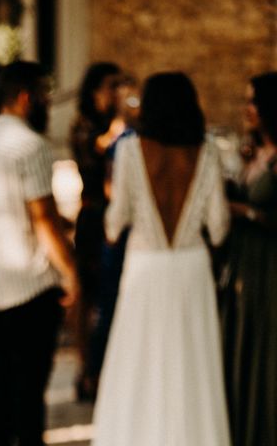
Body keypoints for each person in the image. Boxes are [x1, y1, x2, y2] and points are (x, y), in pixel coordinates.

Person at [92, 72, 231, 446]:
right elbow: (218, 227)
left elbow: (114, 222)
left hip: (145, 267)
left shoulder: (130, 150)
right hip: (191, 266)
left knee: (140, 363)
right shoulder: (208, 151)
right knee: (192, 364)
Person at [0, 61, 79, 446]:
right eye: (45, 94)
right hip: (29, 287)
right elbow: (43, 219)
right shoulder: (30, 145)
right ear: (28, 97)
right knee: (30, 396)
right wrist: (71, 273)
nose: (48, 102)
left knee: (0, 392)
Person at [219, 72, 277, 446]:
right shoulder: (253, 151)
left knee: (266, 350)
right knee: (243, 341)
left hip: (270, 266)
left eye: (253, 101)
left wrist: (247, 212)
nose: (247, 109)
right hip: (242, 263)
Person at [69, 61, 122, 400]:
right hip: (93, 219)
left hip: (115, 219)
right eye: (111, 86)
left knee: (111, 297)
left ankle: (106, 368)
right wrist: (120, 124)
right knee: (89, 298)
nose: (116, 93)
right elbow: (96, 151)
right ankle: (87, 371)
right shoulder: (85, 127)